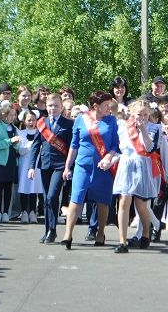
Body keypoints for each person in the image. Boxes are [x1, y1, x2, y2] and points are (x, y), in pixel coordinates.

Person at [60, 91, 119, 249]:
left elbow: (115, 144)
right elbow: (73, 145)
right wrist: (67, 166)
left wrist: (108, 157)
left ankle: (100, 233)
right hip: (82, 166)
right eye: (105, 105)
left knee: (102, 201)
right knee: (76, 198)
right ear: (95, 106)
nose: (109, 108)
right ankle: (68, 234)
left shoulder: (111, 121)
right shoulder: (81, 119)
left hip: (103, 167)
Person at [113, 100, 158, 253]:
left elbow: (149, 148)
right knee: (124, 201)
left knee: (141, 205)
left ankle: (146, 231)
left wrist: (143, 130)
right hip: (126, 165)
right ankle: (122, 241)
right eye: (139, 114)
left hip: (142, 166)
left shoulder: (153, 128)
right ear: (132, 113)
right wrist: (109, 159)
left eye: (146, 114)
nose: (142, 117)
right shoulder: (123, 126)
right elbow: (119, 148)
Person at [31, 93, 73, 243]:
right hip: (45, 165)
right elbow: (36, 146)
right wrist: (31, 166)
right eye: (50, 105)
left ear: (61, 107)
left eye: (56, 105)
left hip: (60, 165)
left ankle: (53, 230)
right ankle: (48, 230)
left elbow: (71, 148)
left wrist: (69, 167)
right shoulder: (42, 123)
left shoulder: (68, 124)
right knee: (45, 200)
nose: (53, 108)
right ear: (46, 107)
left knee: (52, 196)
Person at [0, 104, 20, 222]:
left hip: (12, 160)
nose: (12, 117)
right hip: (1, 161)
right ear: (3, 115)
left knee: (9, 187)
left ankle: (6, 212)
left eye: (14, 115)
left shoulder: (14, 128)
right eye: (10, 115)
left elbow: (17, 147)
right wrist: (9, 141)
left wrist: (16, 143)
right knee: (0, 186)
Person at [16, 111, 42, 224]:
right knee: (24, 186)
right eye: (29, 120)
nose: (31, 122)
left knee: (34, 187)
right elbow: (19, 150)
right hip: (24, 163)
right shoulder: (20, 133)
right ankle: (24, 212)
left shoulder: (40, 132)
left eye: (33, 120)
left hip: (36, 163)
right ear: (24, 121)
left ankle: (32, 211)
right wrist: (29, 147)